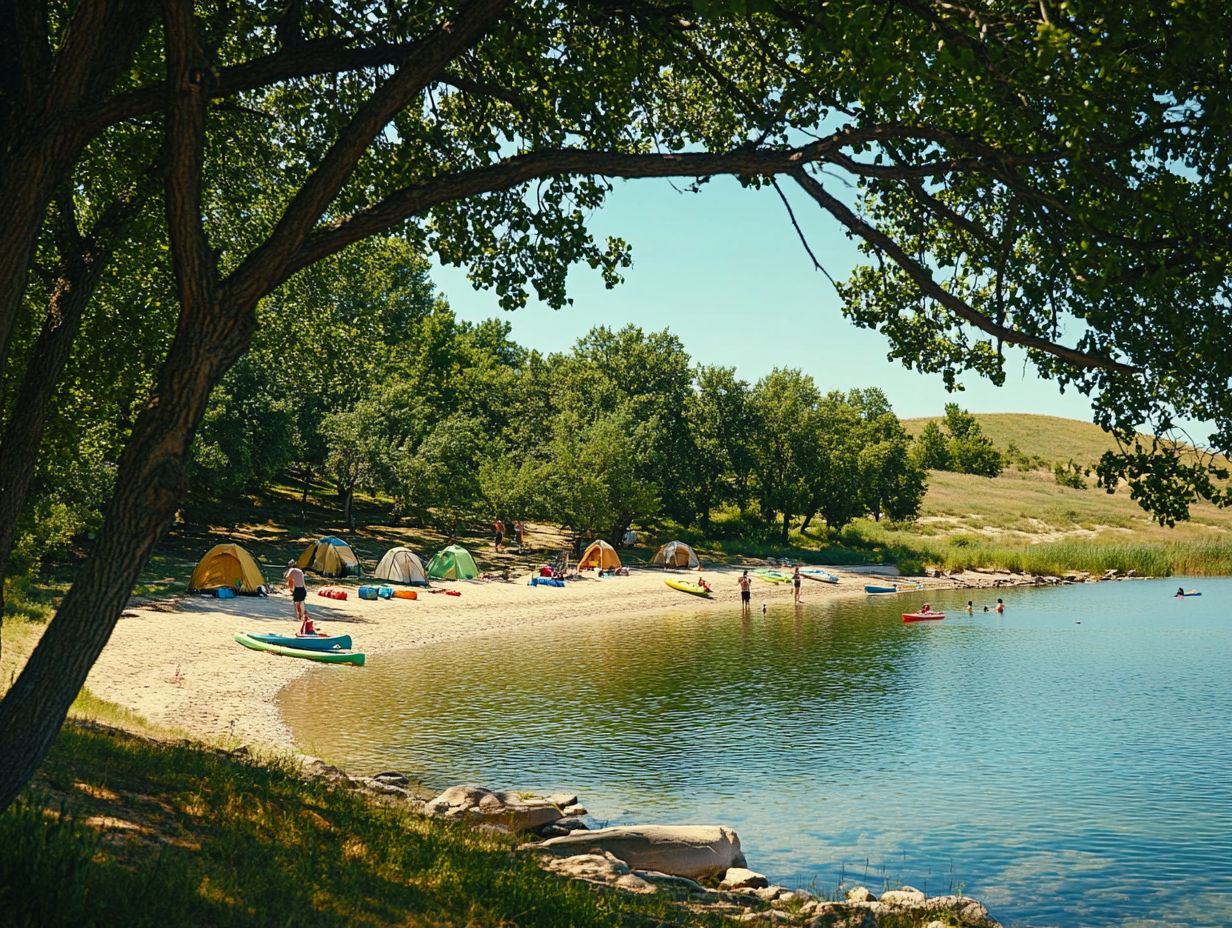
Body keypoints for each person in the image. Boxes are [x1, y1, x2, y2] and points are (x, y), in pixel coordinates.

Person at [285, 560, 310, 630]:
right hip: (303, 589)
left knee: (295, 603)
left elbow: (287, 577)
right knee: (301, 603)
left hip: (297, 589)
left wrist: (290, 585)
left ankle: (297, 617)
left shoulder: (292, 569)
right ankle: (302, 617)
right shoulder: (300, 571)